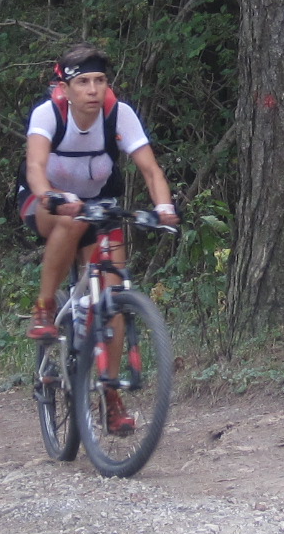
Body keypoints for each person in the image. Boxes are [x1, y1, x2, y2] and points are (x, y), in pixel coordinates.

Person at [21, 46, 178, 375]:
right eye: (83, 82)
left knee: (114, 297)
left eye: (100, 80)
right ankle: (45, 308)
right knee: (71, 221)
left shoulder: (118, 114)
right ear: (64, 89)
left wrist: (163, 207)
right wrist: (49, 196)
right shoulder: (49, 114)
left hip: (98, 203)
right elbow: (35, 166)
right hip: (47, 201)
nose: (93, 90)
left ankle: (111, 392)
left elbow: (151, 170)